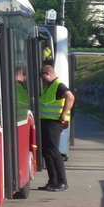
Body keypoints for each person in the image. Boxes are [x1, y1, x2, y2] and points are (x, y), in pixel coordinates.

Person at [37, 62, 75, 191]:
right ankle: (52, 181)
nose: (41, 78)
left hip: (54, 123)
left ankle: (62, 182)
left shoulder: (58, 85)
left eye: (42, 75)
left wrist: (64, 114)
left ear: (48, 73)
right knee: (47, 153)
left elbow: (70, 97)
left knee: (54, 152)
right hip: (46, 122)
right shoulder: (49, 86)